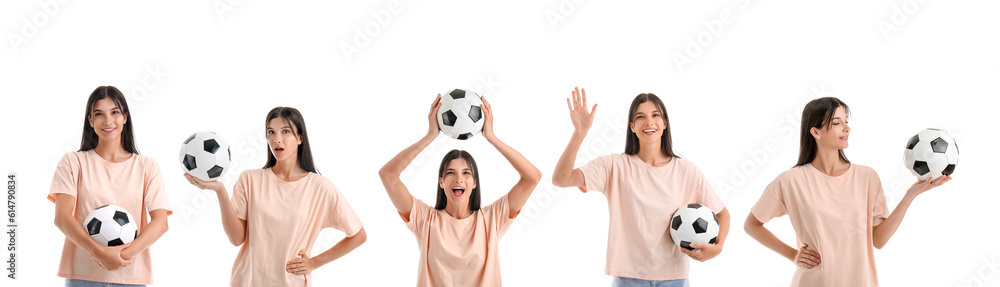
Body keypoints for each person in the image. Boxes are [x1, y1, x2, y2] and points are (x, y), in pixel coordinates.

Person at [743, 97, 951, 286]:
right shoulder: (790, 181)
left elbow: (878, 240)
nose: (847, 128)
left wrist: (910, 195)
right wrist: (793, 255)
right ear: (815, 132)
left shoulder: (867, 177)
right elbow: (752, 224)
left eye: (846, 121)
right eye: (836, 123)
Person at [551, 88, 730, 287]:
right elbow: (561, 178)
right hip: (628, 279)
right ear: (632, 127)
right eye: (640, 117)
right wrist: (579, 133)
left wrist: (718, 247)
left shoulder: (687, 170)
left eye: (655, 115)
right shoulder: (614, 166)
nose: (649, 122)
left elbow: (722, 214)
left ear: (664, 123)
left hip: (675, 279)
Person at [185, 107, 366, 286]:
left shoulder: (320, 187)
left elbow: (358, 235)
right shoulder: (250, 179)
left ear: (300, 138)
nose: (277, 139)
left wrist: (315, 262)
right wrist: (220, 191)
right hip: (247, 281)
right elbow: (236, 239)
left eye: (285, 131)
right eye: (271, 132)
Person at [378, 94, 541, 286]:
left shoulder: (491, 219)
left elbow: (532, 177)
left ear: (474, 183)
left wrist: (492, 138)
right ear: (441, 182)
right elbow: (388, 175)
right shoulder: (425, 220)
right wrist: (430, 136)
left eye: (466, 174)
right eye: (450, 173)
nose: (458, 179)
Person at [49, 86, 171, 287]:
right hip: (82, 276)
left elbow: (160, 222)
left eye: (114, 112)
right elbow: (62, 217)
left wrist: (121, 256)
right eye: (99, 114)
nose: (108, 121)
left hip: (131, 276)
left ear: (125, 117)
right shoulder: (73, 162)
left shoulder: (146, 167)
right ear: (90, 120)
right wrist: (98, 253)